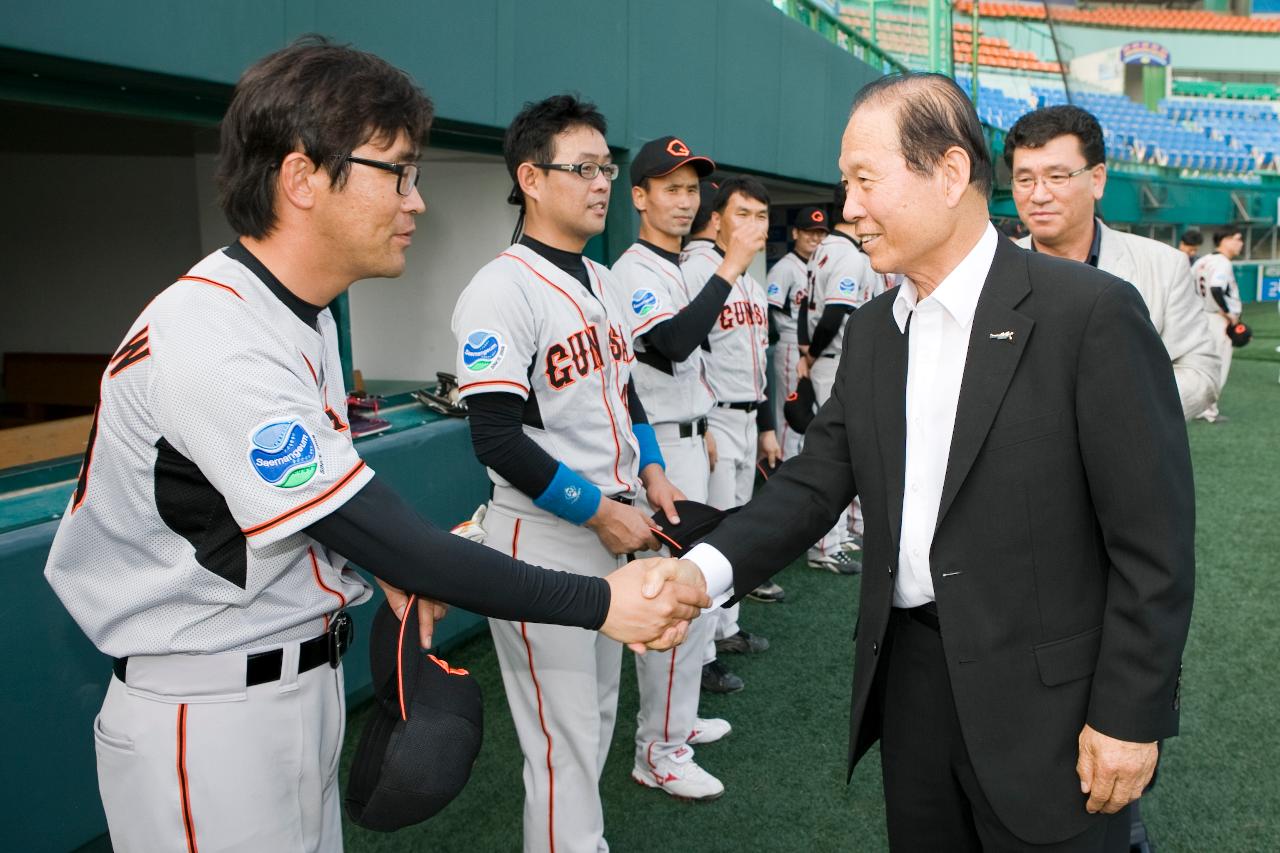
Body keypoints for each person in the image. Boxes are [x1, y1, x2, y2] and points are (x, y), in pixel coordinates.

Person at [42, 44, 706, 853]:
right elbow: (388, 528)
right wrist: (605, 603)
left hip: (288, 682)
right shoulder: (213, 334)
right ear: (302, 179)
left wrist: (386, 564)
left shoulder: (300, 313)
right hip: (205, 709)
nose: (416, 201)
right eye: (396, 171)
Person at [678, 73, 1195, 851]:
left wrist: (1129, 716)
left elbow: (1154, 543)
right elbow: (817, 483)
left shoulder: (1088, 314)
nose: (849, 207)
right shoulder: (881, 332)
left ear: (950, 174)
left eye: (864, 180)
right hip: (913, 690)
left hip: (1052, 712)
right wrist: (699, 574)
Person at [451, 96, 711, 852]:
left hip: (613, 519)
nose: (601, 182)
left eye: (606, 167)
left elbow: (622, 390)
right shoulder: (500, 288)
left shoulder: (597, 279)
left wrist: (655, 470)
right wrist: (599, 509)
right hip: (544, 533)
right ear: (531, 177)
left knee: (592, 717)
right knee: (562, 743)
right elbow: (494, 437)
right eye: (583, 168)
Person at [612, 135, 745, 800]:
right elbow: (667, 346)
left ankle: (678, 723)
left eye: (693, 189)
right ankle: (656, 750)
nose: (685, 200)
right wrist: (732, 267)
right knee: (673, 601)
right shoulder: (633, 269)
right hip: (655, 448)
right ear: (639, 196)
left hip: (690, 435)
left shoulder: (675, 265)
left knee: (698, 595)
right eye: (670, 187)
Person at [1005, 105, 1220, 420]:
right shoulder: (992, 271)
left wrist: (1118, 405)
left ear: (1097, 179)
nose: (1039, 194)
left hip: (1126, 457)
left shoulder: (1164, 266)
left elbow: (1200, 371)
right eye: (1024, 180)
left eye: (1056, 177)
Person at [799, 181, 885, 574]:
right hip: (833, 358)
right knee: (832, 446)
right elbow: (834, 314)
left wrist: (806, 351)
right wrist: (813, 354)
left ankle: (837, 535)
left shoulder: (822, 251)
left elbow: (806, 310)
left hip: (827, 357)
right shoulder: (850, 256)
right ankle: (823, 545)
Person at [767, 206, 828, 459]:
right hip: (792, 344)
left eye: (820, 233)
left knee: (809, 413)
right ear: (795, 233)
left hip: (816, 348)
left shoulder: (821, 266)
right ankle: (779, 468)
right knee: (790, 413)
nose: (815, 239)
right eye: (809, 232)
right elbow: (771, 313)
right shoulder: (784, 268)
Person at [1192, 227, 1245, 423]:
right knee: (1218, 366)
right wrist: (1229, 314)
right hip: (1217, 319)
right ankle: (1209, 410)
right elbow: (1216, 288)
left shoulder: (1201, 261)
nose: (1241, 243)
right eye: (1238, 239)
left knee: (1202, 363)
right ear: (1225, 240)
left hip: (1201, 317)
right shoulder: (1222, 262)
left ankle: (1198, 407)